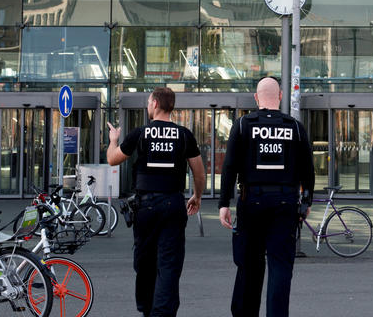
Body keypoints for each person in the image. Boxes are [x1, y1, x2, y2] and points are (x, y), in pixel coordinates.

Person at [218, 77, 315, 317]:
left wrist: (223, 204)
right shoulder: (294, 127)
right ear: (280, 96)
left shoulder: (243, 125)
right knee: (280, 266)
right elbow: (308, 169)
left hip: (251, 202)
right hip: (285, 203)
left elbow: (229, 166)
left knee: (249, 264)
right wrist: (308, 201)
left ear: (256, 98)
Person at [106, 86, 205, 317]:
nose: (148, 105)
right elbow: (199, 173)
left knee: (144, 262)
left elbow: (112, 159)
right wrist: (197, 196)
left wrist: (113, 140)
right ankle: (163, 313)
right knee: (169, 264)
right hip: (173, 203)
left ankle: (147, 309)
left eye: (149, 102)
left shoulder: (140, 133)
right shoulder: (184, 135)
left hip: (145, 206)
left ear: (155, 104)